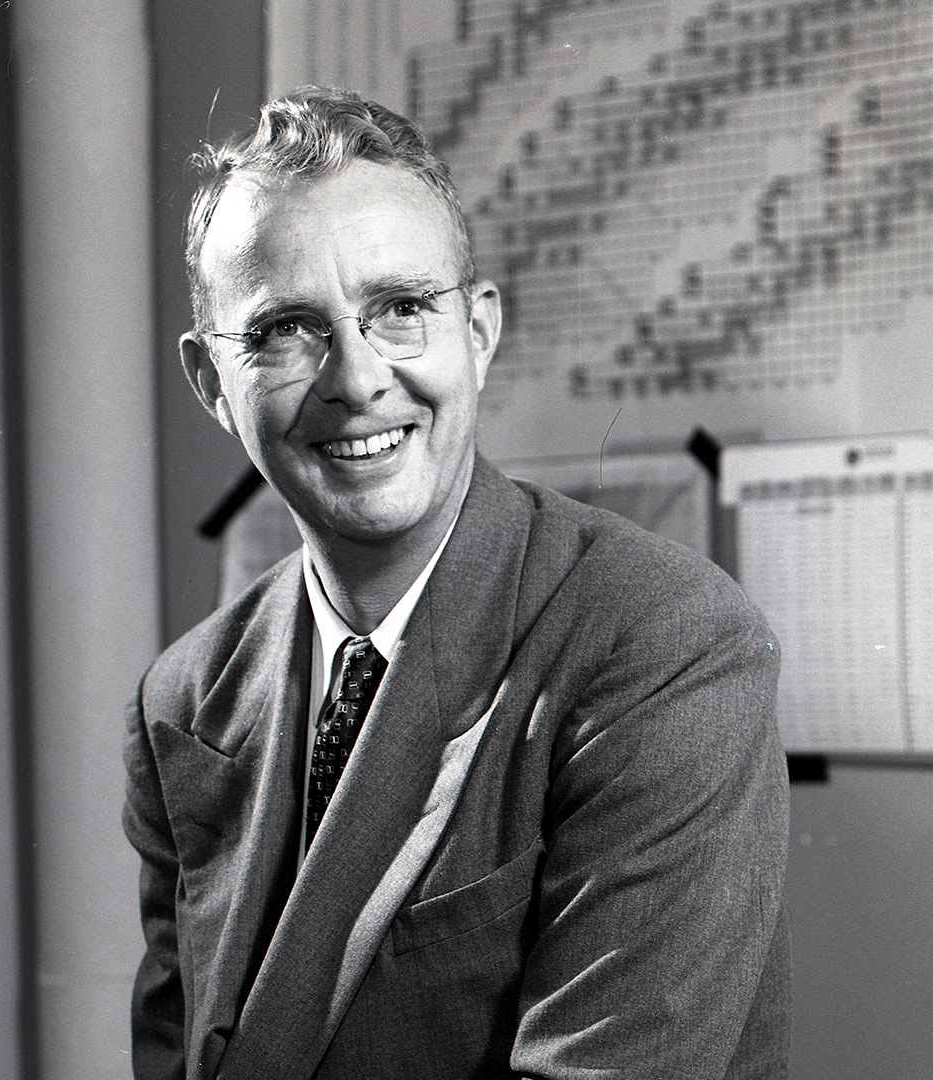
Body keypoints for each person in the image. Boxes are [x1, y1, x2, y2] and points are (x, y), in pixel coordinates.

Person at [123, 86, 790, 1080]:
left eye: (399, 309)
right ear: (212, 384)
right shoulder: (182, 698)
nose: (355, 379)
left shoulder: (665, 644)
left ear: (476, 331)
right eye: (286, 329)